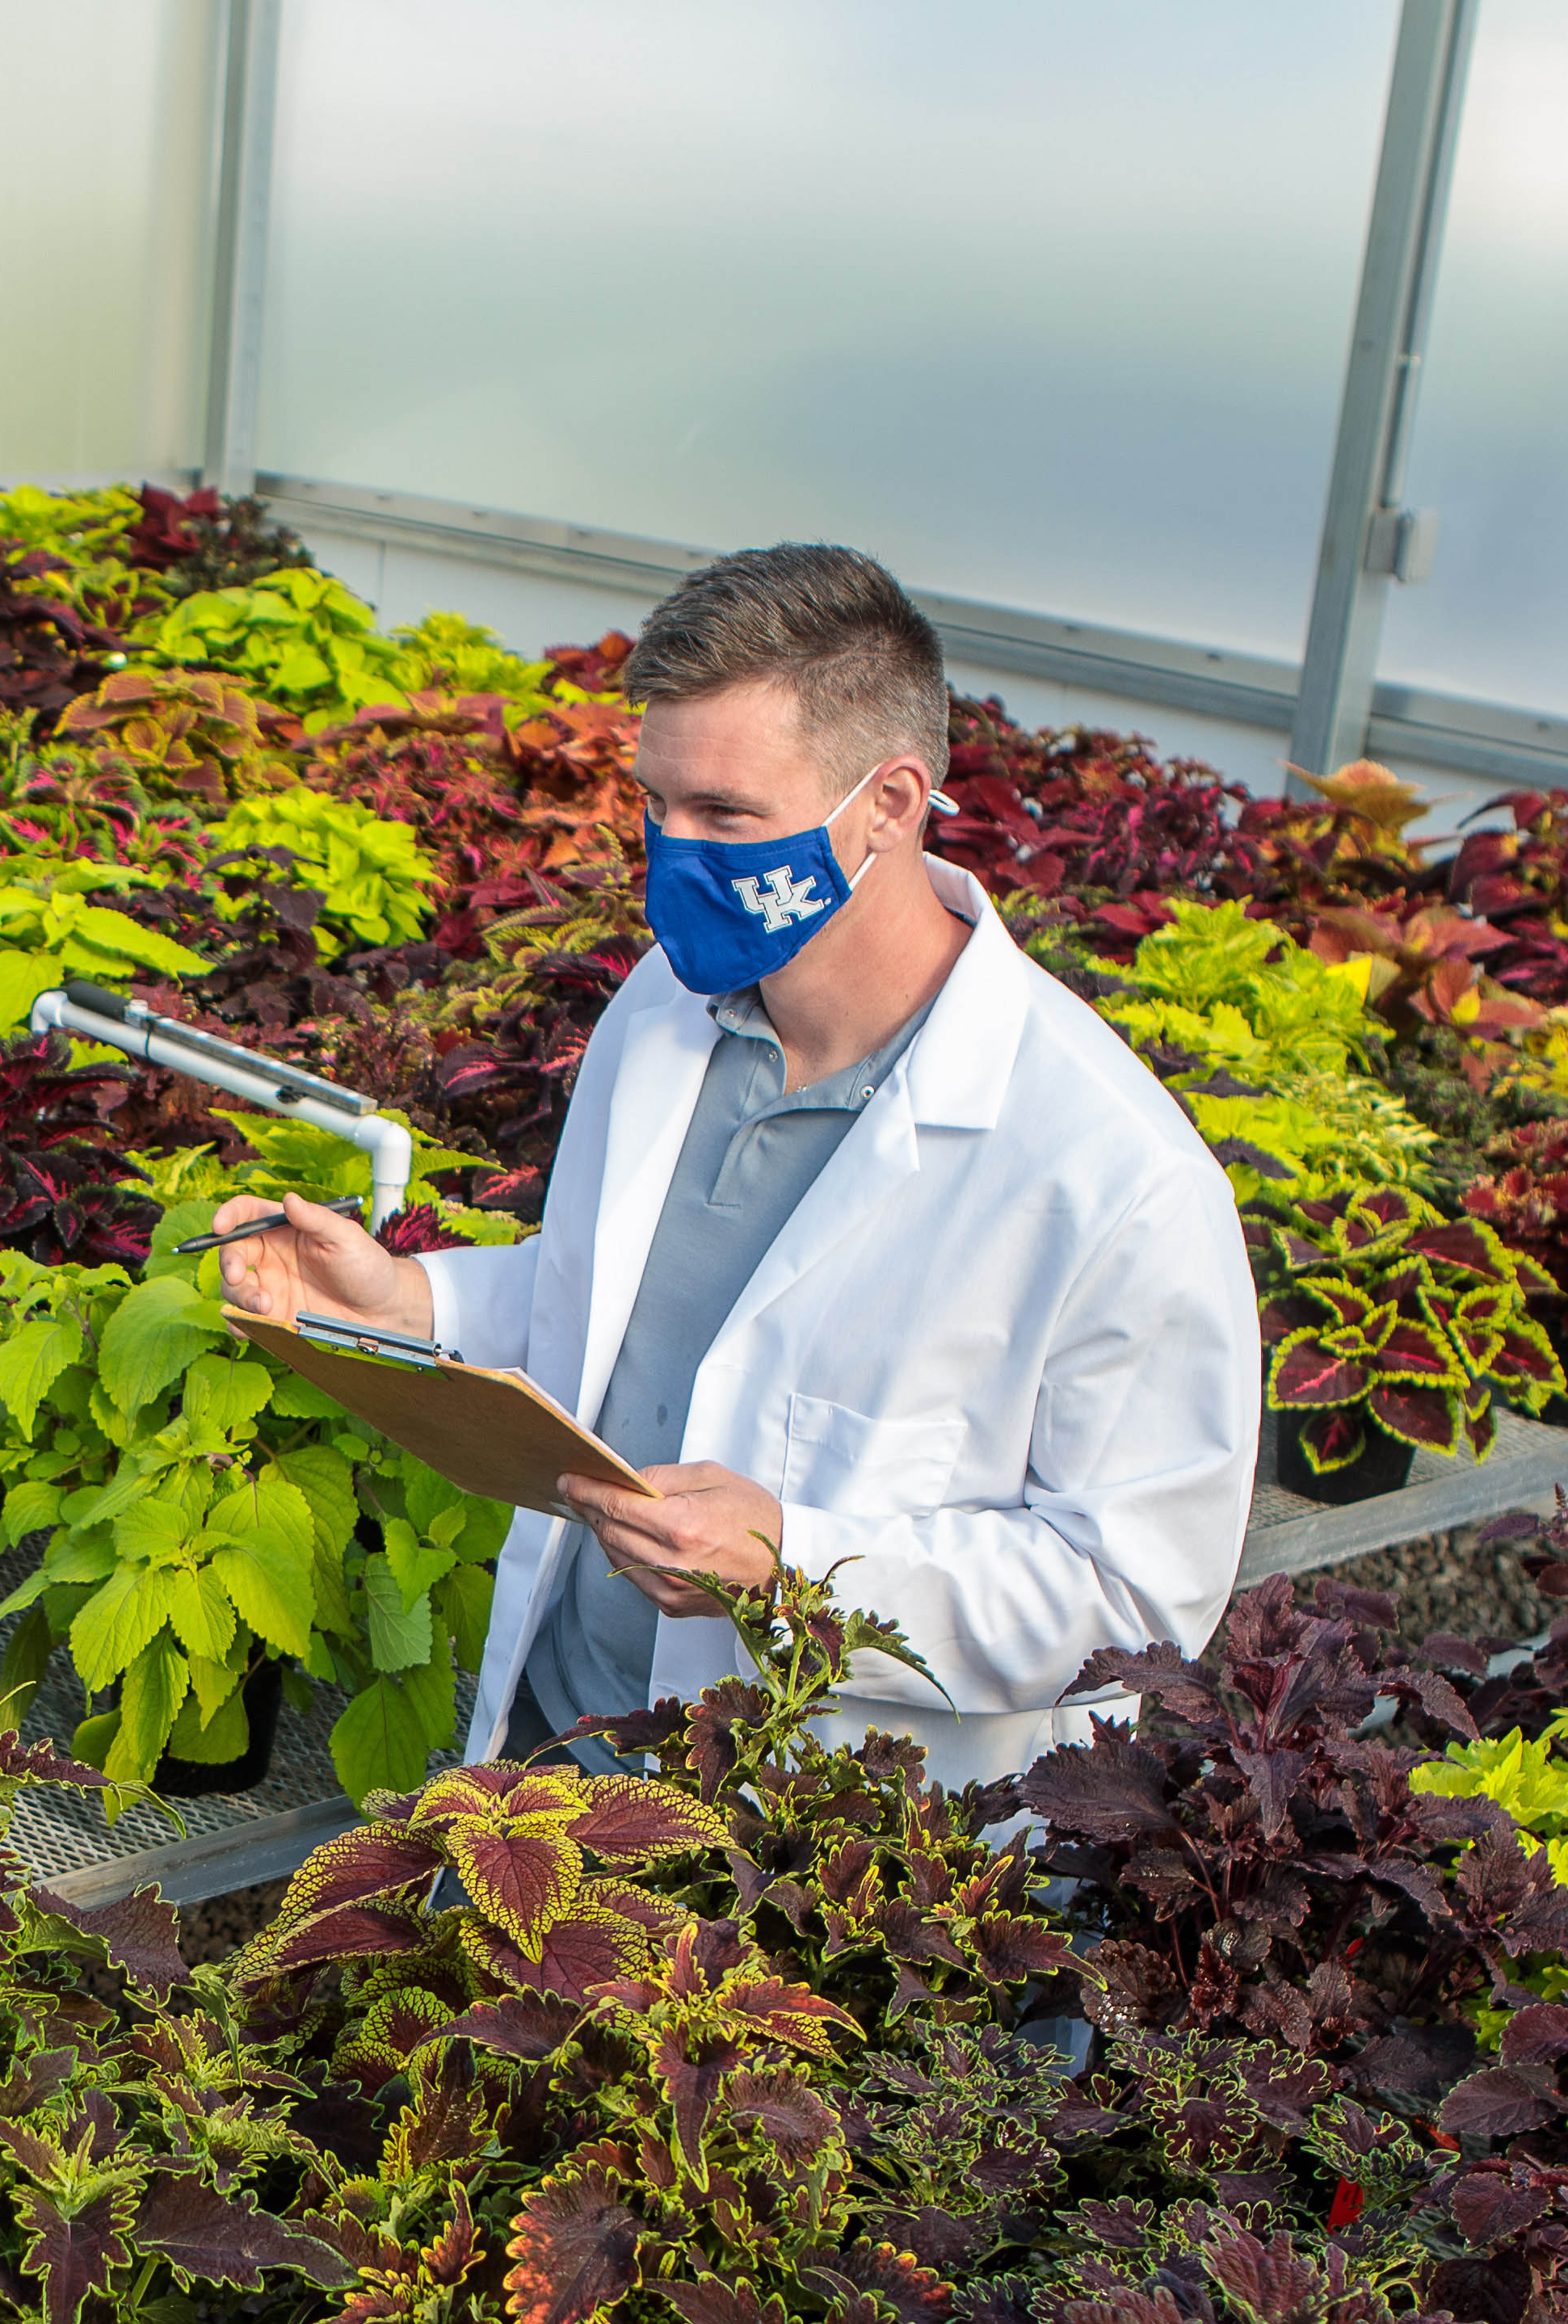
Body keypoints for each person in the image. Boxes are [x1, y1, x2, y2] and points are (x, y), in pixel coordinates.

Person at [213, 544, 1258, 1779]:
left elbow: (1135, 1598)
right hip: (562, 1745)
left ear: (891, 801)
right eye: (656, 805)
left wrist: (797, 1575)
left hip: (809, 1840)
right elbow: (625, 1312)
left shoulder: (1106, 1174)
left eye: (726, 818)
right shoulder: (669, 1009)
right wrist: (406, 1300)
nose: (675, 855)